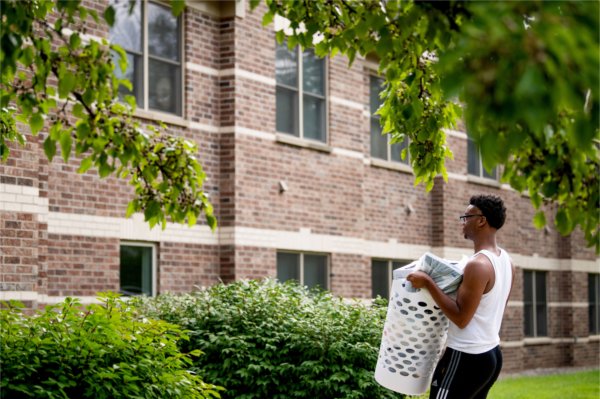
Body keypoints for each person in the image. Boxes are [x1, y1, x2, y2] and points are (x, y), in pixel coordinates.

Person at [407, 194, 515, 399]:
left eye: (467, 217)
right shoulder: (507, 261)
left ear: (481, 220)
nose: (463, 222)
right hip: (491, 354)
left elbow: (461, 318)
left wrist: (427, 282)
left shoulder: (478, 265)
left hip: (466, 355)